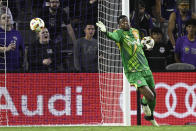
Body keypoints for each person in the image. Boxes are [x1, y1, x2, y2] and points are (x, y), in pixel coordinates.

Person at [96, 15, 159, 126]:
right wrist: (106, 32)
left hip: (146, 68)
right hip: (134, 72)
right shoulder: (119, 33)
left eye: (126, 21)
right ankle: (143, 103)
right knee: (150, 96)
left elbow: (137, 46)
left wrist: (145, 46)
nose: (125, 23)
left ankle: (150, 117)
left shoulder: (135, 31)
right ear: (119, 25)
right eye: (122, 22)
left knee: (154, 95)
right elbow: (113, 36)